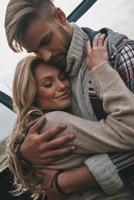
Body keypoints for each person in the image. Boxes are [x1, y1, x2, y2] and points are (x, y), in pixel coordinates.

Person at [5, 0, 134, 199]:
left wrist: (68, 181)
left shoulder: (121, 55)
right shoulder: (54, 73)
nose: (45, 56)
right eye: (36, 51)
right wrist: (25, 155)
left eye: (46, 41)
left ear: (60, 16)